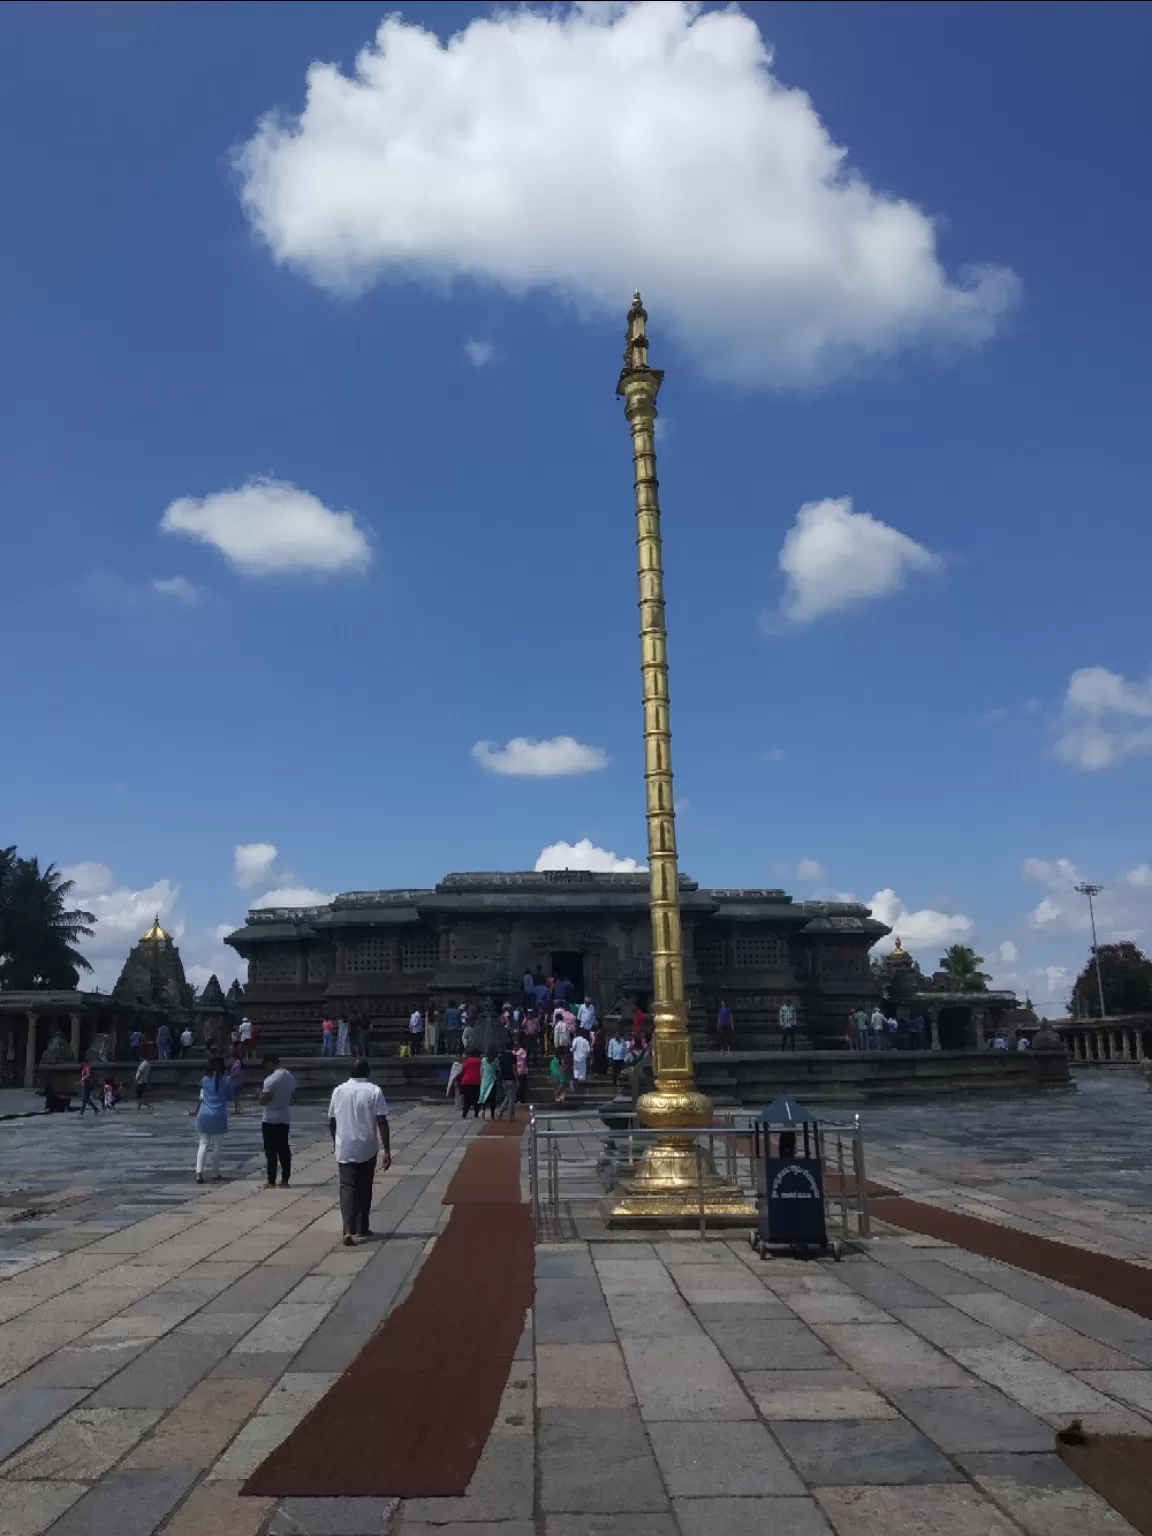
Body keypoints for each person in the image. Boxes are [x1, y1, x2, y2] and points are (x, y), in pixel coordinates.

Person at [328, 1059, 391, 1246]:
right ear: (368, 1072)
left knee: (347, 1187)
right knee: (364, 1186)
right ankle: (362, 1226)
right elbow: (382, 1121)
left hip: (345, 1145)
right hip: (367, 1146)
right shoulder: (374, 1091)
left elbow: (331, 1121)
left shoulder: (338, 1090)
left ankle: (348, 1229)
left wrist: (336, 1141)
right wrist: (387, 1150)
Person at [193, 1055, 236, 1183]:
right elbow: (230, 1095)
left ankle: (199, 1172)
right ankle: (215, 1172)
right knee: (217, 1147)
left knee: (203, 1144)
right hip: (219, 1115)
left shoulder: (205, 1079)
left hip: (204, 1114)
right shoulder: (226, 1080)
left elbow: (202, 1095)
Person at [259, 1053, 296, 1188]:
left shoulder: (270, 1080)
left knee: (271, 1151)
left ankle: (271, 1180)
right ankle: (285, 1179)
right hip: (284, 1117)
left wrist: (259, 1095)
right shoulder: (289, 1077)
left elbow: (265, 1100)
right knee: (284, 1150)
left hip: (270, 1118)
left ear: (270, 1063)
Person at [496, 1041, 518, 1120]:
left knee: (508, 1096)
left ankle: (501, 1111)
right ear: (512, 1047)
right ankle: (511, 1116)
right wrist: (517, 1078)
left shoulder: (501, 1057)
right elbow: (514, 1068)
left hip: (503, 1078)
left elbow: (499, 1068)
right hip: (511, 1078)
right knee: (512, 1099)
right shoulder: (513, 1056)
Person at [458, 1049, 483, 1117]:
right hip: (477, 1082)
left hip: (466, 1082)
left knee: (467, 1100)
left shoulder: (467, 1061)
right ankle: (476, 1114)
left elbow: (463, 1070)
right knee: (477, 1099)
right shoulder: (481, 1061)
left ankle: (464, 1114)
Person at [479, 1046, 500, 1119]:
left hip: (485, 1080)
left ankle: (483, 1111)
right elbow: (498, 1068)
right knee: (493, 1098)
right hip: (492, 1080)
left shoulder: (484, 1060)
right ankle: (492, 1115)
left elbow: (481, 1070)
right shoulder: (495, 1060)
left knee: (485, 1096)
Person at [570, 1029, 591, 1093]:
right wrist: (586, 1055)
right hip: (583, 1057)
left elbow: (573, 1048)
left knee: (576, 1070)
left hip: (576, 1057)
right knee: (583, 1070)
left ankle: (577, 1082)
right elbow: (588, 1050)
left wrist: (570, 1050)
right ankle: (581, 1082)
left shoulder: (575, 1040)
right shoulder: (585, 1041)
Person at [514, 1038, 529, 1104]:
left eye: (516, 1043)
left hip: (521, 1071)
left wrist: (523, 1070)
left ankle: (521, 1099)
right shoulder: (513, 1052)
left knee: (522, 1086)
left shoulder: (522, 1051)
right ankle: (517, 1098)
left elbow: (524, 1062)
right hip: (515, 1071)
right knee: (516, 1086)